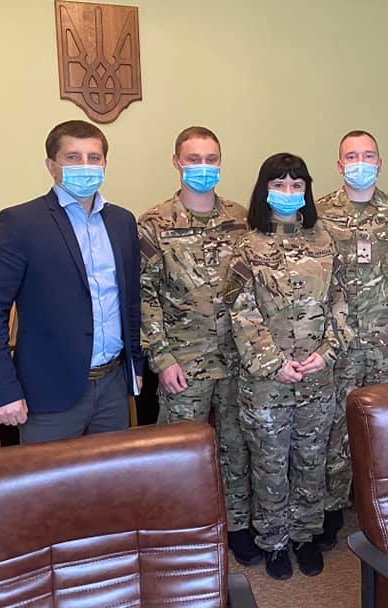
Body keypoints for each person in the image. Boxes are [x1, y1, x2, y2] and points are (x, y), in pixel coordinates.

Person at [0, 120, 143, 443]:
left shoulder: (122, 222)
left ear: (105, 163)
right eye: (73, 157)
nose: (85, 166)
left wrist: (136, 367)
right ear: (52, 166)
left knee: (112, 475)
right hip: (50, 394)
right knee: (50, 478)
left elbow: (130, 301)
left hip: (112, 387)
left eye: (94, 157)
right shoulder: (20, 223)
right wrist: (3, 390)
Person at [224, 153, 351, 581]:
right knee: (270, 464)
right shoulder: (246, 246)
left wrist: (328, 352)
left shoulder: (324, 241)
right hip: (267, 384)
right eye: (279, 184)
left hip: (317, 377)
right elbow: (241, 313)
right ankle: (274, 541)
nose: (288, 192)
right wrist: (273, 363)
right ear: (264, 190)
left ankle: (304, 535)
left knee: (311, 460)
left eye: (297, 185)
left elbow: (341, 304)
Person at [137, 126, 258, 566]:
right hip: (184, 360)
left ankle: (238, 527)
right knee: (179, 451)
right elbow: (145, 296)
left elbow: (253, 287)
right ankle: (179, 532)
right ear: (177, 162)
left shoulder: (242, 219)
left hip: (237, 357)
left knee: (237, 446)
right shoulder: (154, 224)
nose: (203, 167)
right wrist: (161, 357)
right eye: (193, 159)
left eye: (210, 159)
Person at [315, 130, 388, 550]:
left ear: (379, 164)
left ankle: (387, 508)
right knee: (336, 428)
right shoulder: (318, 215)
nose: (359, 163)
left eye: (368, 156)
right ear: (339, 165)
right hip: (337, 345)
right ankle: (331, 509)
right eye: (351, 156)